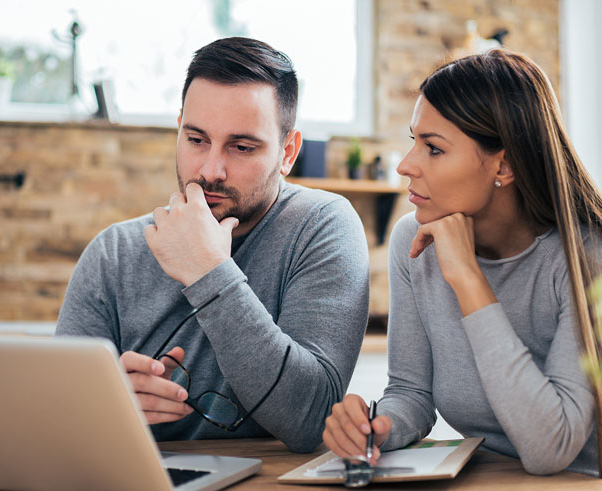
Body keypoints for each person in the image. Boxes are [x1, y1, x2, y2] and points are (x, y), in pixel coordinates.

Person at [321, 49, 602, 484]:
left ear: (505, 164)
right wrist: (378, 426)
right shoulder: (414, 241)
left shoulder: (591, 263)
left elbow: (549, 449)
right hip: (494, 480)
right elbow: (412, 394)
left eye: (433, 148)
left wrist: (467, 278)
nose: (406, 165)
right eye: (414, 141)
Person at [56, 37, 369, 452]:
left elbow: (310, 419)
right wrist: (101, 408)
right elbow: (57, 421)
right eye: (196, 139)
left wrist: (207, 270)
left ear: (287, 152)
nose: (210, 170)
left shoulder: (321, 226)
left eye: (242, 147)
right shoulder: (114, 252)